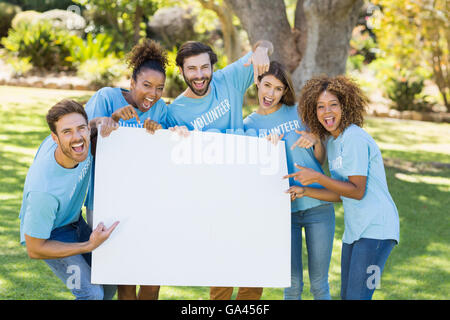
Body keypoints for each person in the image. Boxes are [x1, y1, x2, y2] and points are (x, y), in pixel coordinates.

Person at [166, 40, 273, 300]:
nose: (199, 75)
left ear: (213, 66)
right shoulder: (175, 112)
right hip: (213, 199)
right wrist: (171, 134)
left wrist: (262, 50)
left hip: (249, 187)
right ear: (181, 71)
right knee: (223, 270)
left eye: (204, 67)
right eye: (192, 69)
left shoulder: (229, 80)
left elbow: (265, 44)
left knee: (253, 268)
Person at [285, 75, 400, 300]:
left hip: (377, 231)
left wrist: (317, 177)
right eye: (320, 106)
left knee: (358, 296)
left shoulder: (354, 138)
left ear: (345, 106)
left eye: (333, 105)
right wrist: (306, 190)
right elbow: (342, 193)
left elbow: (357, 190)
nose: (327, 112)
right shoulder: (335, 143)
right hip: (355, 232)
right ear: (313, 112)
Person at [83, 39, 168, 300]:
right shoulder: (106, 97)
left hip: (145, 200)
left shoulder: (161, 109)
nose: (152, 94)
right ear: (132, 83)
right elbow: (84, 145)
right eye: (146, 85)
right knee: (123, 278)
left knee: (153, 276)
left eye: (159, 88)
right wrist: (112, 120)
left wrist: (161, 133)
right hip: (106, 200)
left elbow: (163, 154)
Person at [243, 62, 335, 300]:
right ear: (258, 83)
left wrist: (315, 140)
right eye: (267, 86)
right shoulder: (249, 125)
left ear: (285, 92)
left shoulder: (297, 112)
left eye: (278, 89)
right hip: (283, 212)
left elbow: (321, 160)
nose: (270, 94)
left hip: (318, 205)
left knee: (319, 285)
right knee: (292, 285)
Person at [18, 99, 119, 300]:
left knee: (109, 279)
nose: (77, 138)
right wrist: (88, 246)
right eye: (67, 132)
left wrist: (106, 121)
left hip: (73, 221)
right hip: (50, 235)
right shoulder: (43, 191)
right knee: (91, 294)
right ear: (54, 138)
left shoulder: (84, 140)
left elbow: (92, 125)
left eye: (81, 128)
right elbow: (35, 249)